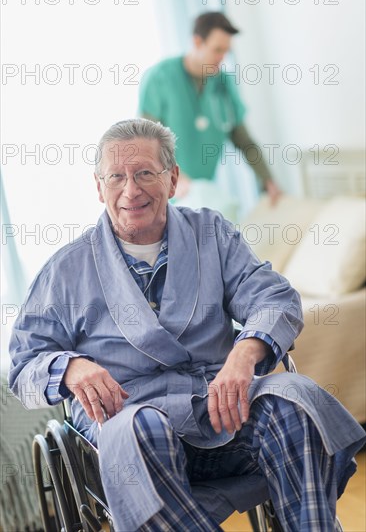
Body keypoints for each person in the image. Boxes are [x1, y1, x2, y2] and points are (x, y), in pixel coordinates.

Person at [9, 119, 365, 532]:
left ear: (173, 178)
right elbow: (24, 364)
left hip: (224, 412)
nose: (131, 190)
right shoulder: (66, 269)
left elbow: (275, 297)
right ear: (98, 186)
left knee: (295, 400)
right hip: (135, 429)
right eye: (116, 177)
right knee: (144, 429)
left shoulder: (211, 233)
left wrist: (244, 354)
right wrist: (71, 367)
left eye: (145, 173)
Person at [139, 11, 282, 206]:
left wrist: (267, 180)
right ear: (197, 42)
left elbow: (245, 143)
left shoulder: (223, 84)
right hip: (165, 195)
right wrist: (171, 176)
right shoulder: (160, 78)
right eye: (217, 50)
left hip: (201, 196)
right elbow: (146, 143)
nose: (222, 57)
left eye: (226, 51)